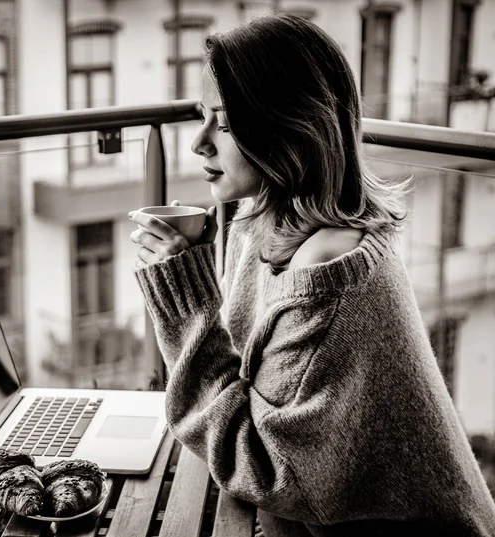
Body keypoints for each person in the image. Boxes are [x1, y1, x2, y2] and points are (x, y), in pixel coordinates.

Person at [128, 13, 495, 537]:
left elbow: (261, 468)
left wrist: (185, 303)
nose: (198, 143)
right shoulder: (263, 218)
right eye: (200, 116)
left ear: (289, 127)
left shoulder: (327, 267)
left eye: (226, 123)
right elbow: (248, 385)